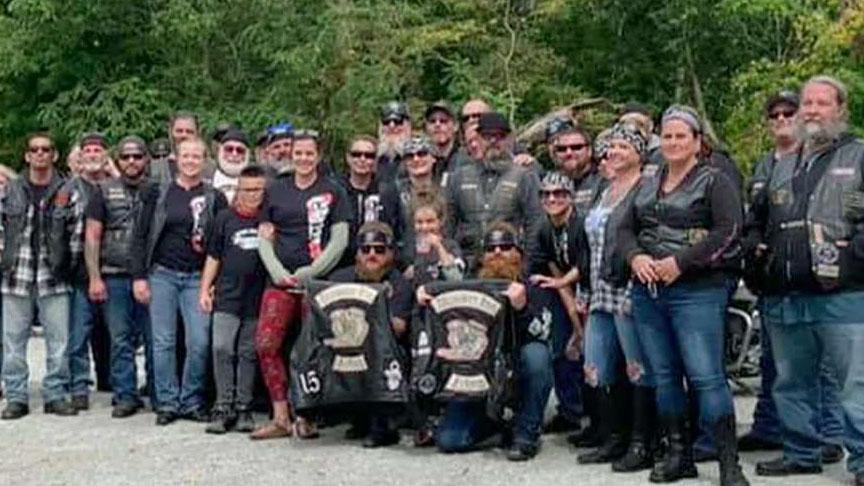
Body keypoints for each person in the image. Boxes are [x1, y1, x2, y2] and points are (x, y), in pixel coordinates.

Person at [618, 105, 749, 485]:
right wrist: (635, 256)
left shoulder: (714, 180)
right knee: (664, 376)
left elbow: (728, 229)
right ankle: (679, 454)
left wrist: (682, 262)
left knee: (707, 376)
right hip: (649, 292)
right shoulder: (646, 181)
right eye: (668, 136)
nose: (673, 142)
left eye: (681, 136)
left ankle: (728, 462)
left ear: (697, 142)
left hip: (698, 291)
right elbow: (623, 228)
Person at [746, 76, 864, 486]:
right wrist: (756, 256)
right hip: (785, 292)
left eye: (821, 103)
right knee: (791, 380)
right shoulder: (782, 163)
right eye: (807, 104)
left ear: (840, 109)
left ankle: (862, 461)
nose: (812, 110)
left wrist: (856, 253)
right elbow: (756, 219)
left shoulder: (858, 155)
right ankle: (800, 453)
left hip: (843, 293)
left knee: (855, 384)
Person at [419, 222, 553, 461]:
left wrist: (522, 309)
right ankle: (497, 425)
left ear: (518, 253)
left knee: (538, 356)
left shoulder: (534, 284)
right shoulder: (470, 285)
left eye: (505, 246)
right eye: (491, 248)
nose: (498, 252)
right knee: (450, 440)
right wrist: (426, 295)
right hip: (474, 375)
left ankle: (526, 433)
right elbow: (441, 300)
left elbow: (542, 332)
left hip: (515, 368)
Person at [252, 129, 351, 440]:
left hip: (317, 282)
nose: (304, 159)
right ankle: (281, 415)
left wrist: (311, 271)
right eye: (299, 153)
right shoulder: (276, 190)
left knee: (313, 349)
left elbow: (340, 240)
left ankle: (307, 415)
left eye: (310, 154)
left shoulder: (333, 190)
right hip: (279, 280)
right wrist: (278, 271)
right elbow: (264, 236)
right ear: (291, 155)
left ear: (318, 156)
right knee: (266, 344)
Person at [571, 124, 655, 472]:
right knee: (596, 365)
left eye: (624, 145)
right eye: (611, 146)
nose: (615, 151)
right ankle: (611, 436)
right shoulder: (602, 190)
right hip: (598, 288)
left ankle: (641, 442)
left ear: (639, 151)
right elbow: (587, 245)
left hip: (629, 289)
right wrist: (583, 289)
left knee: (636, 367)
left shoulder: (646, 189)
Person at [131, 137, 229, 426]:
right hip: (162, 274)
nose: (190, 161)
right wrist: (139, 277)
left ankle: (192, 400)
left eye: (196, 156)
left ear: (205, 160)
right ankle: (167, 402)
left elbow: (220, 244)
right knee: (163, 342)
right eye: (185, 156)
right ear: (176, 158)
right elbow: (140, 236)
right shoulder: (158, 193)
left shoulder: (215, 198)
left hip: (198, 277)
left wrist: (214, 282)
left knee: (198, 341)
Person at [0, 132, 78, 419]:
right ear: (27, 156)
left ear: (54, 155)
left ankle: (56, 394)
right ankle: (17, 396)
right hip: (16, 274)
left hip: (53, 275)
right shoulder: (11, 188)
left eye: (46, 149)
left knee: (59, 341)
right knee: (13, 341)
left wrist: (70, 265)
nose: (40, 154)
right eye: (35, 149)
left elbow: (76, 232)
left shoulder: (67, 189)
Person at [328, 222, 414, 447]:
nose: (372, 255)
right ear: (357, 253)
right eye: (366, 250)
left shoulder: (400, 284)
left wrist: (371, 314)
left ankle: (383, 426)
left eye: (379, 249)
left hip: (387, 349)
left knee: (380, 353)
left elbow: (399, 327)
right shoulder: (338, 279)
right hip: (347, 343)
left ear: (391, 253)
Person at [85, 135, 153, 417]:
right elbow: (92, 236)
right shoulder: (102, 191)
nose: (132, 161)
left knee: (155, 338)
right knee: (120, 339)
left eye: (137, 156)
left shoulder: (158, 190)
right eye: (126, 157)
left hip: (150, 275)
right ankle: (125, 394)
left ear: (146, 160)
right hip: (112, 274)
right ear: (118, 160)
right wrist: (94, 276)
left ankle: (159, 392)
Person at [200, 165, 268, 434]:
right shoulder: (224, 219)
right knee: (221, 348)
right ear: (237, 191)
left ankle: (244, 408)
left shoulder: (267, 220)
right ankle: (223, 405)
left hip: (256, 297)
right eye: (246, 190)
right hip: (227, 295)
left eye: (257, 190)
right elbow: (213, 256)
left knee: (248, 353)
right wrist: (205, 289)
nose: (251, 196)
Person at [526, 171, 588, 437]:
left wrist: (581, 323)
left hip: (592, 284)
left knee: (592, 352)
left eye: (559, 193)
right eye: (547, 194)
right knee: (564, 346)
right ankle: (570, 411)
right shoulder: (542, 228)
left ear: (571, 196)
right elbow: (554, 270)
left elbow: (583, 266)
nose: (553, 199)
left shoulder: (582, 223)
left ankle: (597, 416)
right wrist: (574, 322)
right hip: (563, 288)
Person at [445, 112, 543, 272]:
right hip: (467, 267)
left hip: (510, 266)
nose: (493, 141)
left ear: (510, 139)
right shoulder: (459, 176)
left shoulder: (525, 176)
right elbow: (448, 226)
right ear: (478, 138)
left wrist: (526, 266)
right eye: (487, 136)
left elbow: (535, 224)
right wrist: (455, 259)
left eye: (499, 136)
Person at [64, 132, 112, 411]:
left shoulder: (116, 187)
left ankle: (115, 382)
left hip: (115, 270)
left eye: (98, 150)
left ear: (106, 156)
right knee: (78, 333)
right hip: (78, 272)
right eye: (88, 150)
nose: (93, 154)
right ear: (80, 157)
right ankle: (79, 385)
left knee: (119, 334)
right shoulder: (68, 189)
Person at [381, 135, 442, 268]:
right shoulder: (392, 191)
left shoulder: (445, 189)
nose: (416, 159)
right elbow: (388, 231)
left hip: (440, 258)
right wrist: (401, 264)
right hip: (404, 262)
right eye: (410, 156)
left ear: (433, 158)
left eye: (422, 154)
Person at [337, 135, 386, 268]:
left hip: (377, 263)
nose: (362, 159)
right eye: (356, 154)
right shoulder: (335, 190)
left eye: (369, 155)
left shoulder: (386, 192)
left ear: (375, 160)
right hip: (340, 264)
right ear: (348, 158)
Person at [546, 117, 604, 214]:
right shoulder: (548, 182)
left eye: (576, 147)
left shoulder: (604, 181)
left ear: (589, 150)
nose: (569, 153)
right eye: (561, 149)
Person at [423, 101, 462, 185]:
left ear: (456, 126)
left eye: (443, 121)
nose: (437, 125)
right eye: (432, 121)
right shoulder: (420, 161)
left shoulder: (465, 161)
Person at [211, 128, 251, 203]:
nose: (234, 154)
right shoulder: (206, 177)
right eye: (229, 149)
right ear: (220, 151)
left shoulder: (256, 179)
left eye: (240, 150)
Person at [377, 101, 412, 185]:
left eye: (398, 121)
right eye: (386, 122)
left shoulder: (421, 157)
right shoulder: (368, 158)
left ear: (408, 126)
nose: (391, 126)